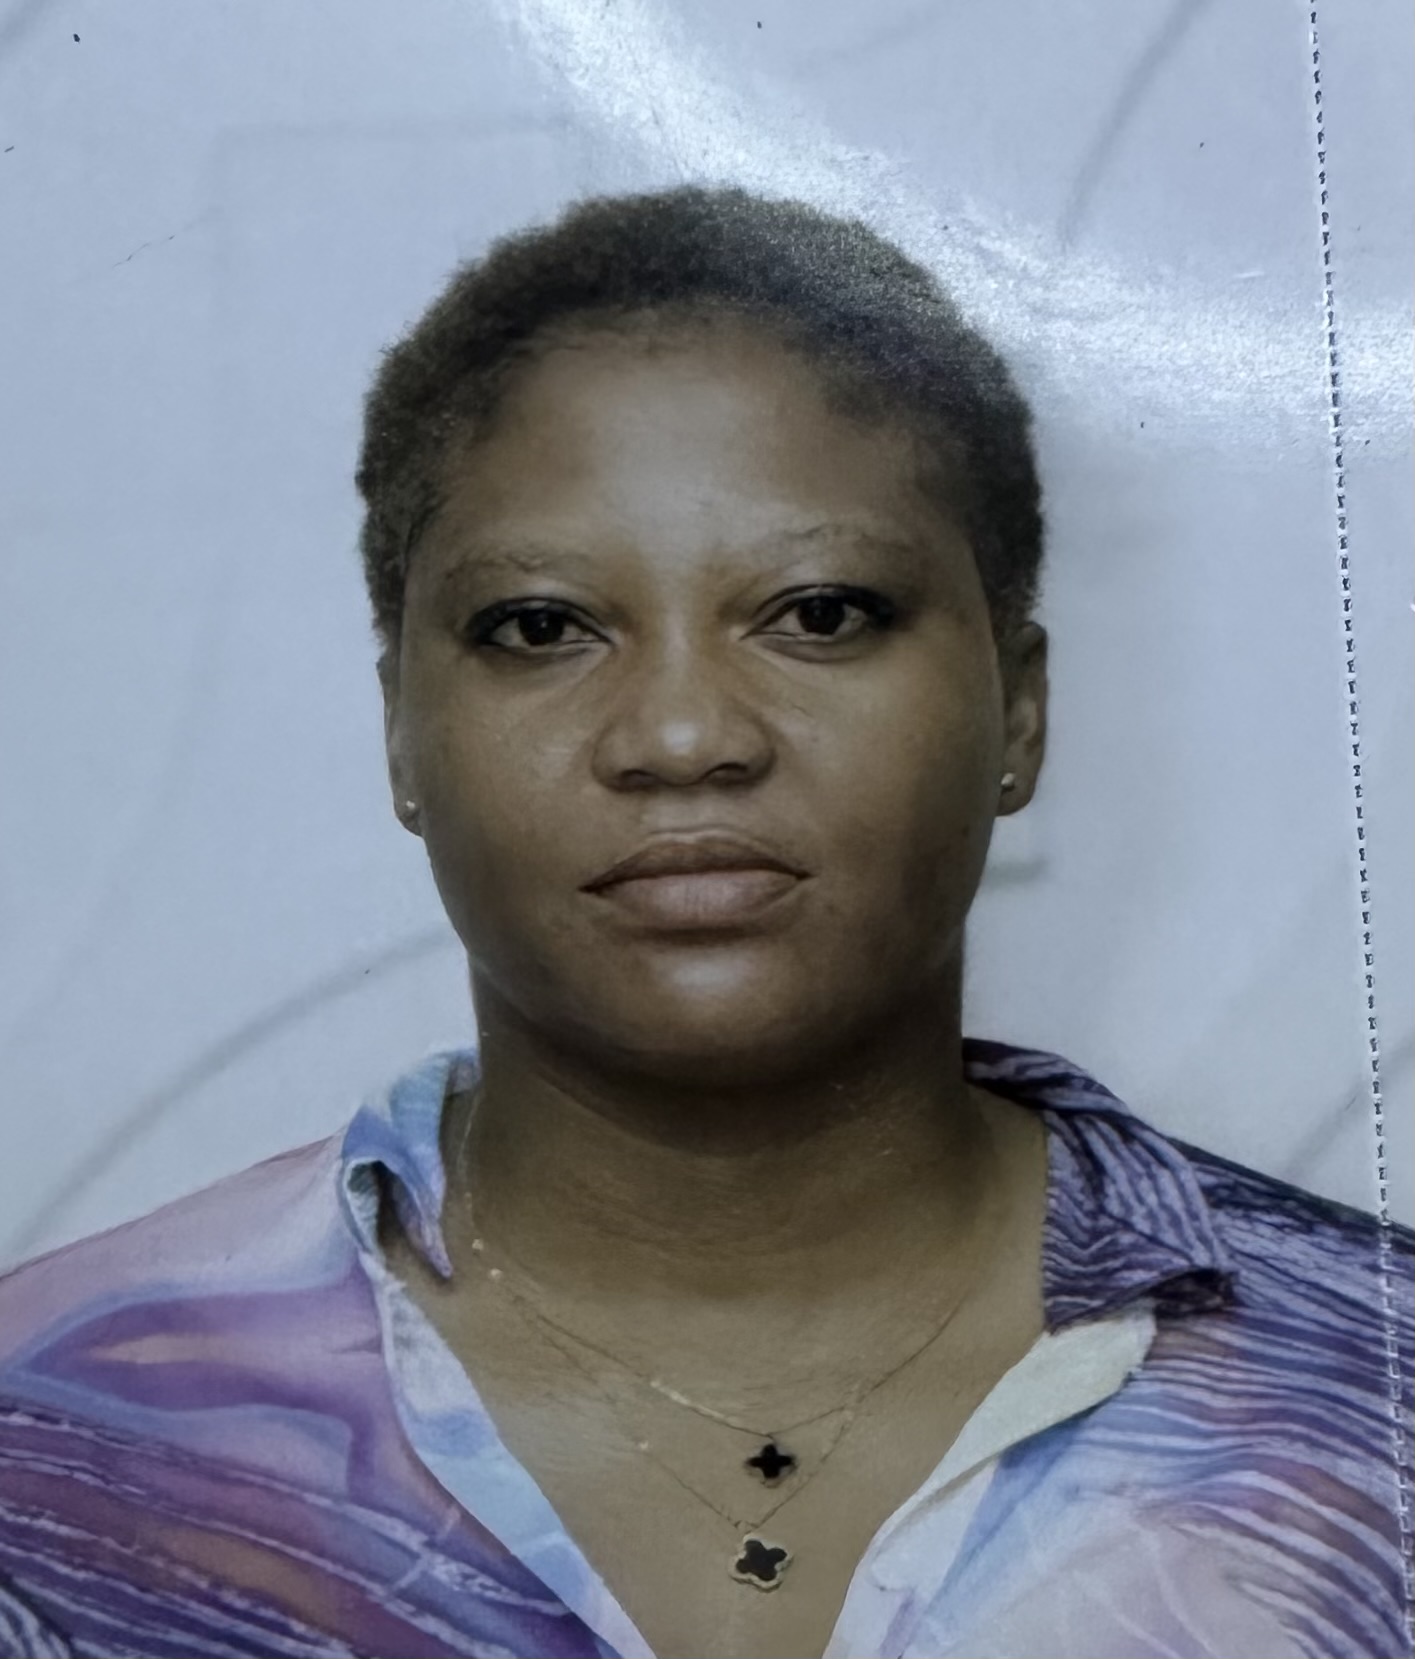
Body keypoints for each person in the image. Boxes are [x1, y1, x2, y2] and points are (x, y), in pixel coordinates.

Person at [0, 186, 1409, 1659]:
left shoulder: (1378, 1397)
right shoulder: (53, 1445)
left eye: (821, 613)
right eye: (542, 626)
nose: (682, 737)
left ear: (1021, 711)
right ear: (401, 733)